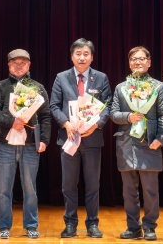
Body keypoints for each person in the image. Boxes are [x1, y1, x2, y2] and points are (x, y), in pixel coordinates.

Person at [0, 49, 52, 239]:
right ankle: (3, 226)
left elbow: (46, 116)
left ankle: (31, 225)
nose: (19, 65)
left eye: (23, 62)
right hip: (5, 145)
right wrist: (11, 121)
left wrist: (44, 140)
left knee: (30, 189)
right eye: (15, 62)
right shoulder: (0, 87)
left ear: (29, 65)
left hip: (31, 145)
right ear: (9, 65)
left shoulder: (38, 87)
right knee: (3, 190)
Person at [49, 38, 111, 238]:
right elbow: (54, 106)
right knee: (68, 184)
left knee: (93, 184)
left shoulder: (101, 78)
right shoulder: (61, 77)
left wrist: (96, 125)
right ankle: (70, 223)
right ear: (72, 56)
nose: (82, 57)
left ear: (92, 57)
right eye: (78, 54)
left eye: (86, 54)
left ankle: (92, 223)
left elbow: (107, 106)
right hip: (68, 138)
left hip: (92, 139)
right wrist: (66, 123)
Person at [110, 46, 163, 241]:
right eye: (134, 59)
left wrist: (161, 138)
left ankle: (150, 227)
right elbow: (113, 114)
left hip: (149, 142)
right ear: (129, 63)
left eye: (142, 59)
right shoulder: (121, 87)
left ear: (149, 62)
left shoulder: (158, 87)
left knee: (151, 190)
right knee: (129, 192)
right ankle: (133, 227)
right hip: (126, 143)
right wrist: (128, 117)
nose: (138, 62)